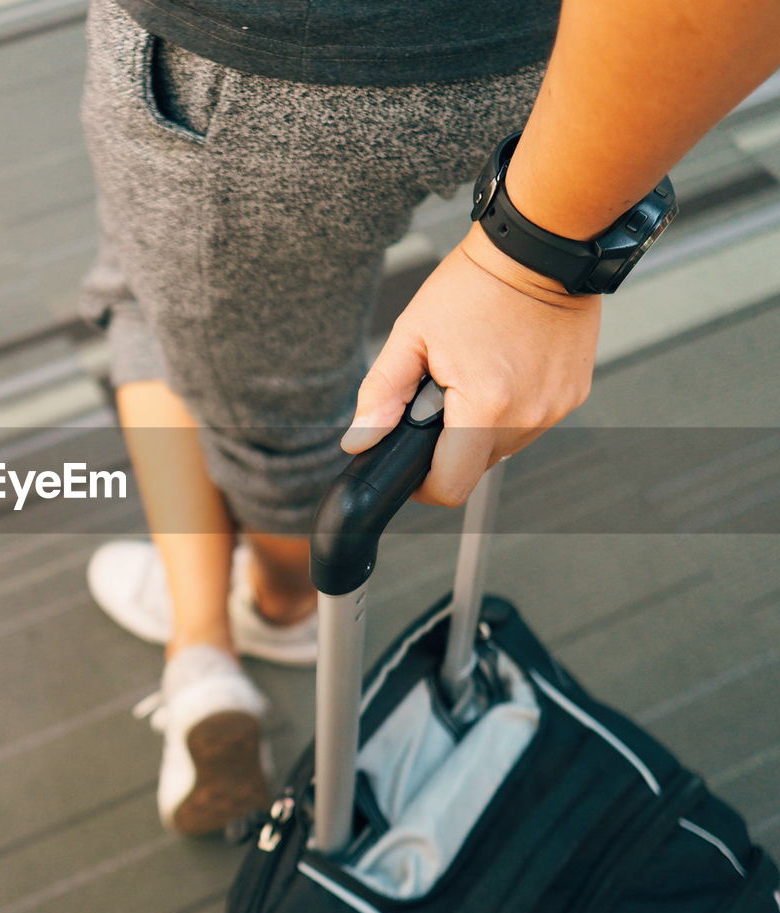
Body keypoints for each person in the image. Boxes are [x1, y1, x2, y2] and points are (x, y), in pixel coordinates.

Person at [77, 0, 780, 835]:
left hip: (263, 72)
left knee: (262, 396)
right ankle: (208, 631)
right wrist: (552, 237)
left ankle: (271, 609)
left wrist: (531, 267)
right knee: (162, 281)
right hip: (563, 50)